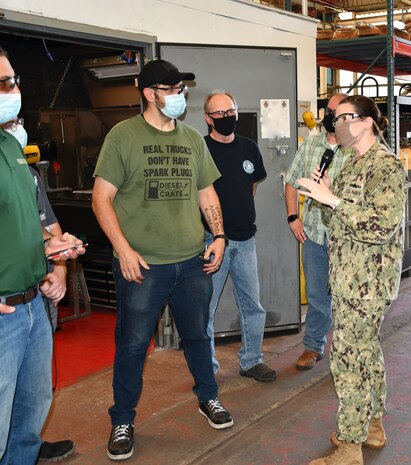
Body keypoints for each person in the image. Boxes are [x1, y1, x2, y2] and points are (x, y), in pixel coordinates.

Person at [92, 59, 233, 461]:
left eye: (181, 90)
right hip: (144, 267)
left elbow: (206, 193)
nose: (179, 97)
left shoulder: (191, 138)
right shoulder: (123, 137)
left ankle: (209, 397)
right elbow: (101, 199)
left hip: (191, 262)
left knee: (198, 337)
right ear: (149, 94)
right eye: (171, 90)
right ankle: (122, 420)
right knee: (133, 345)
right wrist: (123, 248)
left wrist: (219, 235)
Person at [298, 95, 407, 465]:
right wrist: (327, 192)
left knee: (347, 360)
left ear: (366, 122)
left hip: (368, 283)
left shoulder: (385, 166)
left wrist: (334, 201)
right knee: (366, 354)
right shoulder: (350, 165)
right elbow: (336, 224)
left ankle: (348, 447)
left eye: (345, 117)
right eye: (335, 117)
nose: (337, 124)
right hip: (346, 278)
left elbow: (380, 226)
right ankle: (371, 426)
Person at [0, 47, 84, 465]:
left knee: (30, 407)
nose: (14, 90)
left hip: (34, 306)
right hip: (4, 313)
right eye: (4, 83)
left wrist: (56, 258)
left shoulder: (13, 152)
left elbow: (32, 223)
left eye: (13, 81)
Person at [201, 91, 276, 382]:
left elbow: (251, 186)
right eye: (218, 114)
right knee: (205, 310)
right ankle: (206, 369)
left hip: (245, 241)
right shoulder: (200, 149)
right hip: (211, 241)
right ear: (208, 118)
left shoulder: (249, 148)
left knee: (252, 306)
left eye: (230, 111)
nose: (225, 118)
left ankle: (251, 361)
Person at [285, 92, 349, 370]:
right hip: (313, 233)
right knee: (316, 295)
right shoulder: (311, 144)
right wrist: (292, 217)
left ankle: (350, 349)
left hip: (345, 237)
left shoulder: (355, 150)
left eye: (336, 112)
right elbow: (291, 181)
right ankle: (313, 346)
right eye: (328, 110)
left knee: (347, 295)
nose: (329, 115)